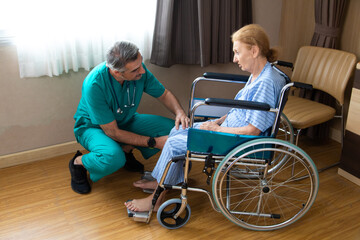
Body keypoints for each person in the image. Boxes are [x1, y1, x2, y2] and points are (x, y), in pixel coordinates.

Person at [125, 24, 287, 212]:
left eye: (237, 52)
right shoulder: (259, 74)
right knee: (177, 130)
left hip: (234, 141)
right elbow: (243, 110)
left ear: (254, 50)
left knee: (173, 143)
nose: (234, 59)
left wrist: (216, 129)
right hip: (226, 131)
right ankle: (169, 180)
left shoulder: (265, 83)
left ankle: (156, 199)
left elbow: (253, 130)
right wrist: (218, 121)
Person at [69, 41, 189, 194]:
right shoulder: (94, 84)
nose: (142, 71)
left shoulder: (139, 70)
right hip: (93, 127)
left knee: (173, 130)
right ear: (117, 72)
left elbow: (164, 94)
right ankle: (79, 163)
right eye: (135, 70)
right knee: (113, 157)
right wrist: (154, 142)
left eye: (141, 64)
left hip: (125, 120)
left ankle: (125, 150)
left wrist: (180, 112)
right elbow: (112, 132)